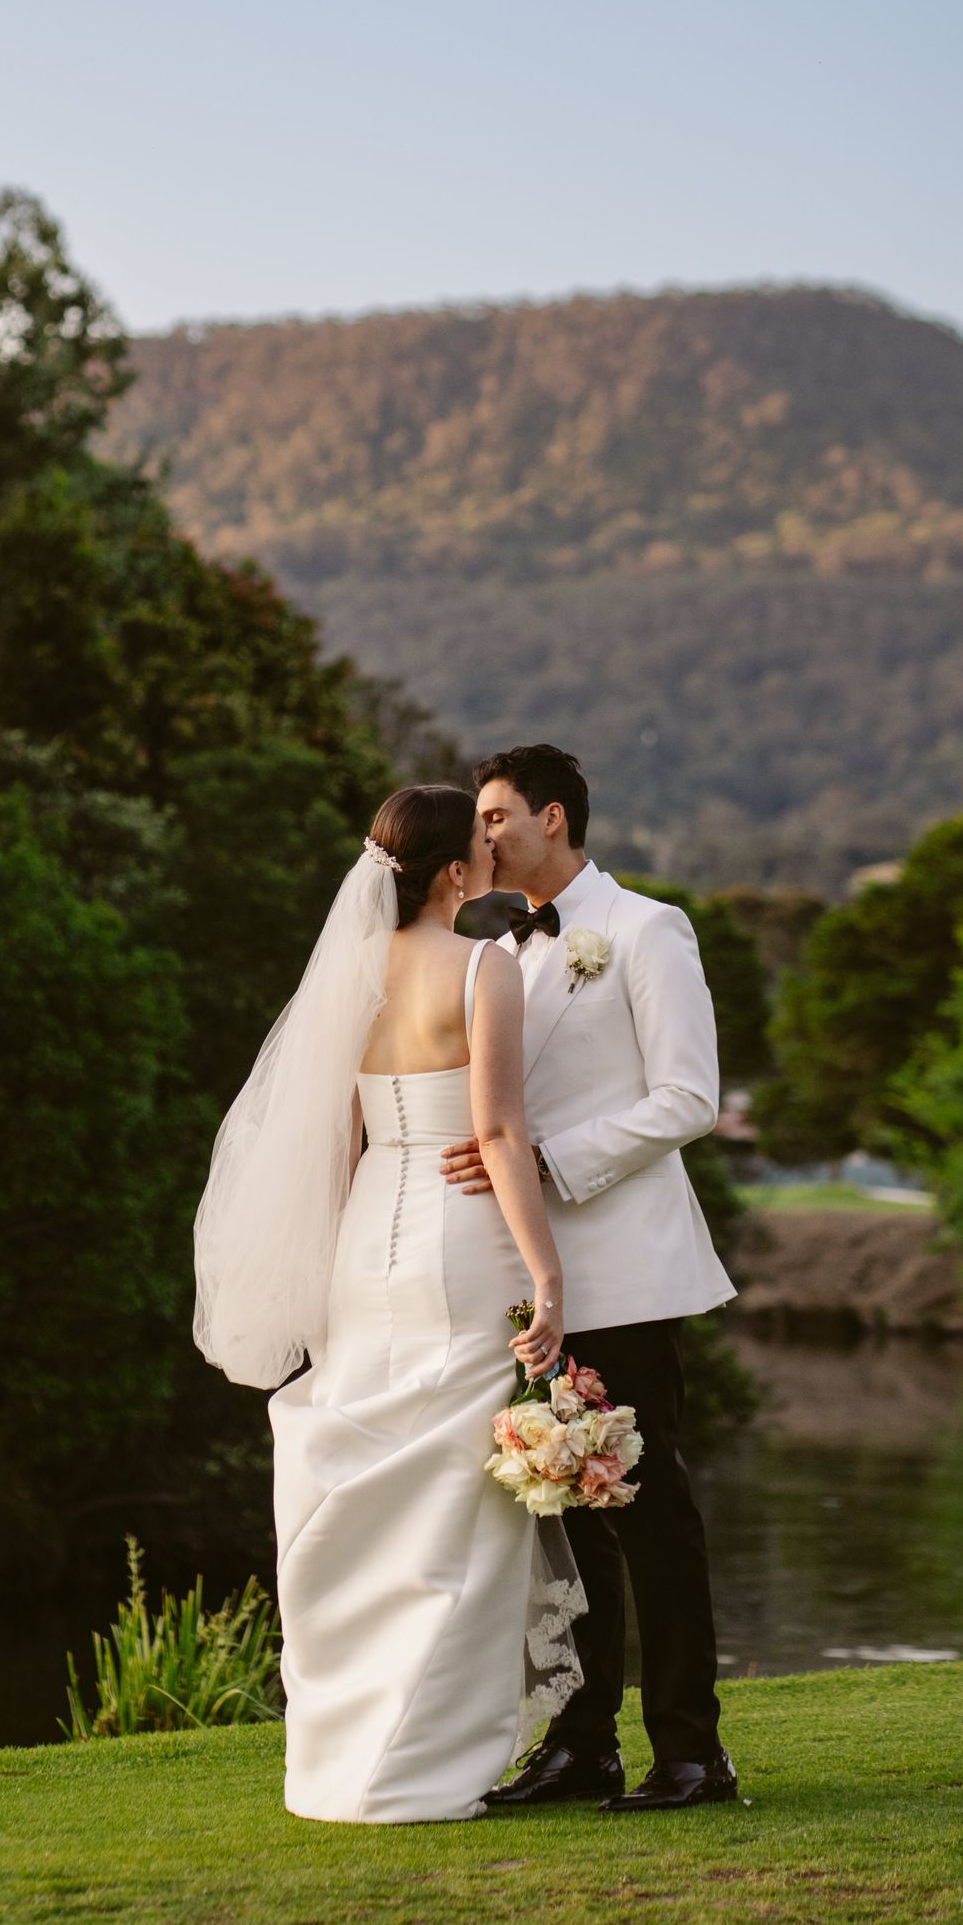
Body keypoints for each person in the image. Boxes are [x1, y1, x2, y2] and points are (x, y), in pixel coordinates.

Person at [192, 783, 584, 1823]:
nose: (496, 857)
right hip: (460, 1245)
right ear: (456, 872)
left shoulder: (354, 969)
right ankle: (419, 1764)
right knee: (456, 1508)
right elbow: (498, 1137)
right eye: (483, 848)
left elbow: (336, 1137)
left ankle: (341, 1762)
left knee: (371, 1491)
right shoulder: (484, 966)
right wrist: (548, 1279)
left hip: (367, 1241)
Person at [441, 742, 740, 1814]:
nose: (480, 836)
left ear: (553, 818)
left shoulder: (648, 929)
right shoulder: (496, 952)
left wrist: (548, 1160)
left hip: (625, 1272)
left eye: (494, 815)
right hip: (522, 1280)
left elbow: (689, 1098)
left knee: (651, 1517)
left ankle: (692, 1755)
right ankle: (581, 1746)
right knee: (553, 1513)